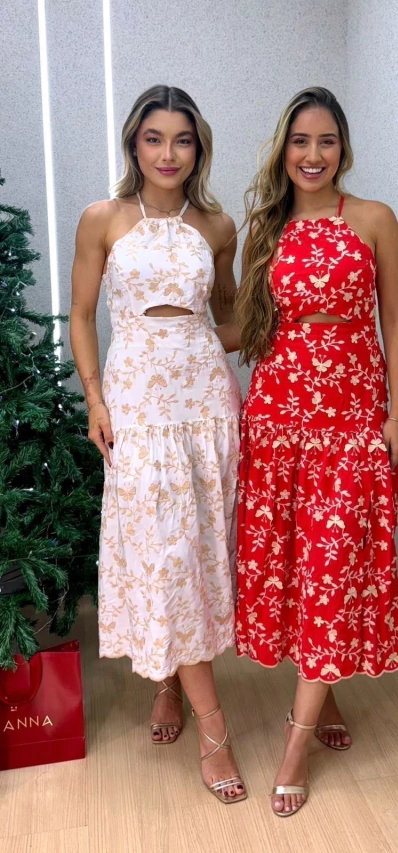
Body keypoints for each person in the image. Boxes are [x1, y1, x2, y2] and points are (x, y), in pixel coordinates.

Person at [234, 86, 398, 816]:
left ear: (343, 148)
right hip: (279, 419)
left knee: (333, 568)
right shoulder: (266, 229)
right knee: (298, 567)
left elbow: (395, 319)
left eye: (326, 141)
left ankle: (294, 744)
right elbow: (247, 326)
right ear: (284, 149)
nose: (312, 155)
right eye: (300, 141)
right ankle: (324, 690)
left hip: (352, 421)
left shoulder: (373, 218)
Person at [70, 85, 246, 804]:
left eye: (182, 139)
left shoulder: (218, 225)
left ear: (198, 149)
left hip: (206, 406)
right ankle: (215, 731)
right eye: (154, 138)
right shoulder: (103, 219)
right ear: (133, 144)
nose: (168, 153)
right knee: (164, 550)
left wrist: (294, 314)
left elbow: (228, 318)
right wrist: (94, 397)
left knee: (196, 551)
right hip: (138, 407)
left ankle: (169, 683)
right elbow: (82, 313)